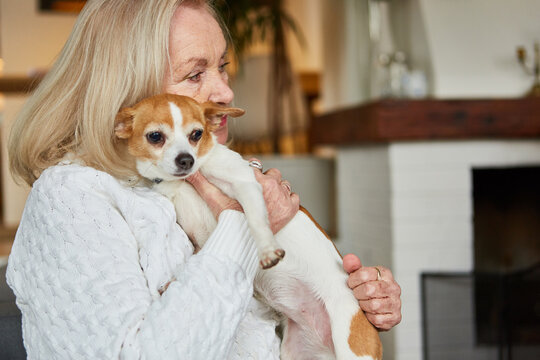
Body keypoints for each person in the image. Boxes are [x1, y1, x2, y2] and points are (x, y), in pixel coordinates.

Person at [6, 0, 401, 358]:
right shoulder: (72, 199)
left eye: (223, 67)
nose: (226, 91)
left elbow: (250, 334)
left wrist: (354, 300)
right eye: (195, 74)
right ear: (126, 87)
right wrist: (243, 229)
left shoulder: (191, 175)